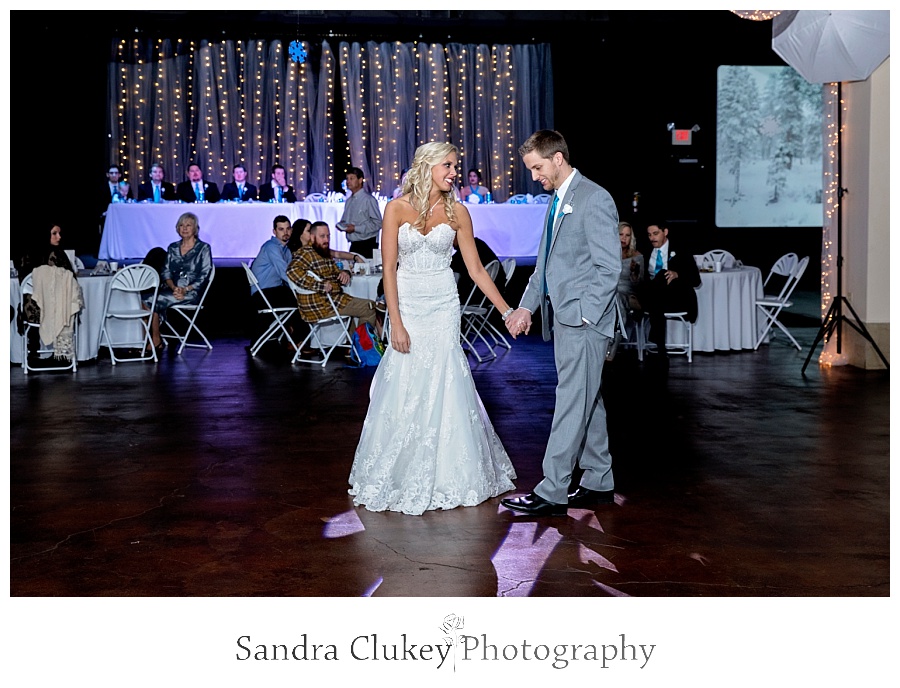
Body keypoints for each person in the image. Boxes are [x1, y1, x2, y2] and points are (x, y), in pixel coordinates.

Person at [347, 141, 517, 515]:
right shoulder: (394, 209)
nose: (455, 171)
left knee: (444, 381)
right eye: (449, 165)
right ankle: (397, 468)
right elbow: (388, 270)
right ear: (426, 166)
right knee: (405, 380)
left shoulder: (458, 212)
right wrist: (396, 322)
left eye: (456, 165)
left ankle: (449, 472)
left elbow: (474, 270)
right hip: (408, 304)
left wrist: (507, 310)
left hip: (443, 305)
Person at [501, 129, 620, 517]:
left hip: (585, 322)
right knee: (588, 397)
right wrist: (525, 308)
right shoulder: (557, 200)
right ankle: (599, 478)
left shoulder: (594, 198)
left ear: (557, 158)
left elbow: (609, 268)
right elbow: (545, 267)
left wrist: (585, 314)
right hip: (567, 320)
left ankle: (552, 489)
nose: (534, 176)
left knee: (571, 401)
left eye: (537, 167)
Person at [286, 222, 382, 336]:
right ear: (312, 237)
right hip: (322, 305)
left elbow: (336, 271)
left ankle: (353, 346)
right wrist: (321, 285)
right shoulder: (306, 253)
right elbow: (291, 270)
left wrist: (345, 273)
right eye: (322, 236)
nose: (326, 239)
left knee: (358, 308)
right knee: (369, 307)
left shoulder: (322, 252)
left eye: (328, 236)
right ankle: (363, 348)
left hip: (333, 300)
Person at [147, 212, 213, 351]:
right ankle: (151, 336)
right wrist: (173, 288)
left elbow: (204, 275)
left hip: (191, 292)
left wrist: (186, 289)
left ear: (195, 229)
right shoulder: (172, 247)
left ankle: (155, 339)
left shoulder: (203, 248)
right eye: (181, 225)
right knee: (144, 299)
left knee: (152, 300)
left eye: (188, 225)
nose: (184, 228)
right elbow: (166, 272)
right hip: (171, 291)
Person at [641, 220, 701, 357]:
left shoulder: (681, 250)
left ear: (665, 232)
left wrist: (677, 274)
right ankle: (661, 349)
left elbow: (696, 280)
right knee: (656, 293)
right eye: (649, 235)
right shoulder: (644, 250)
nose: (652, 238)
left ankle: (658, 344)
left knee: (662, 274)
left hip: (675, 297)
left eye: (655, 234)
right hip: (654, 299)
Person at [249, 215, 300, 341]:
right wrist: (301, 287)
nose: (285, 232)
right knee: (302, 299)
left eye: (288, 229)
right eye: (281, 229)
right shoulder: (271, 247)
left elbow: (289, 274)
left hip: (273, 291)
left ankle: (294, 337)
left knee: (300, 297)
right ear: (274, 231)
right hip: (263, 294)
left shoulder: (285, 250)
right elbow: (285, 273)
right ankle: (297, 339)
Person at [336, 166, 382, 258]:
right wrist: (342, 225)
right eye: (347, 179)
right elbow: (346, 220)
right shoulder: (349, 201)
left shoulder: (368, 200)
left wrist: (356, 228)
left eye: (351, 178)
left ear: (360, 180)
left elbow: (378, 223)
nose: (348, 181)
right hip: (354, 244)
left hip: (367, 244)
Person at [450, 235, 505, 304]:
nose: (451, 244)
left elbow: (452, 265)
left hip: (481, 295)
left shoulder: (469, 246)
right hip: (493, 293)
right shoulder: (477, 243)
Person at [617, 221, 644, 314]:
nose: (624, 238)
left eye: (627, 235)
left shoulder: (637, 257)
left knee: (617, 297)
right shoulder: (607, 256)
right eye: (621, 234)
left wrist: (634, 273)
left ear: (631, 238)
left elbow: (639, 285)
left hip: (628, 294)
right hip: (608, 291)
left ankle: (621, 328)